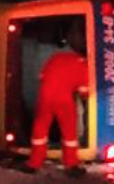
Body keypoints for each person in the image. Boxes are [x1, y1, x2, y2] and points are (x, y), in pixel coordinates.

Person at [24, 25, 89, 175]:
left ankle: (34, 164)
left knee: (40, 130)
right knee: (69, 133)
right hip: (63, 99)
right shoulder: (82, 65)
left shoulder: (56, 57)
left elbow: (42, 77)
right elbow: (84, 91)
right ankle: (71, 165)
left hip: (45, 97)